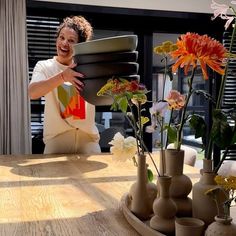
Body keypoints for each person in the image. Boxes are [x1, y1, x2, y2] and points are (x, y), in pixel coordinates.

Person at [28, 16, 101, 154]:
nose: (64, 43)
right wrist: (63, 76)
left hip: (88, 140)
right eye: (61, 37)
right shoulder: (45, 66)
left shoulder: (89, 67)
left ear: (80, 45)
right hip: (56, 141)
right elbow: (33, 92)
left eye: (71, 40)